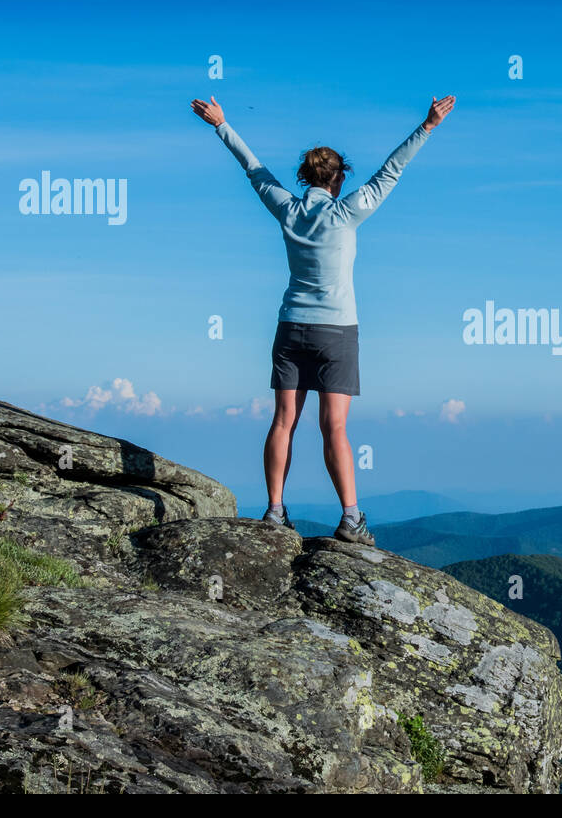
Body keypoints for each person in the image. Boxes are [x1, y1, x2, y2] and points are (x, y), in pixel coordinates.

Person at [189, 93, 456, 543]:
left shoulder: (287, 210)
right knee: (334, 426)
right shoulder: (348, 212)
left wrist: (222, 125)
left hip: (291, 326)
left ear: (305, 178)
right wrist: (426, 126)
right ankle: (351, 520)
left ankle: (274, 511)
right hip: (337, 331)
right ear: (338, 180)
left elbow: (253, 169)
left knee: (282, 421)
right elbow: (392, 170)